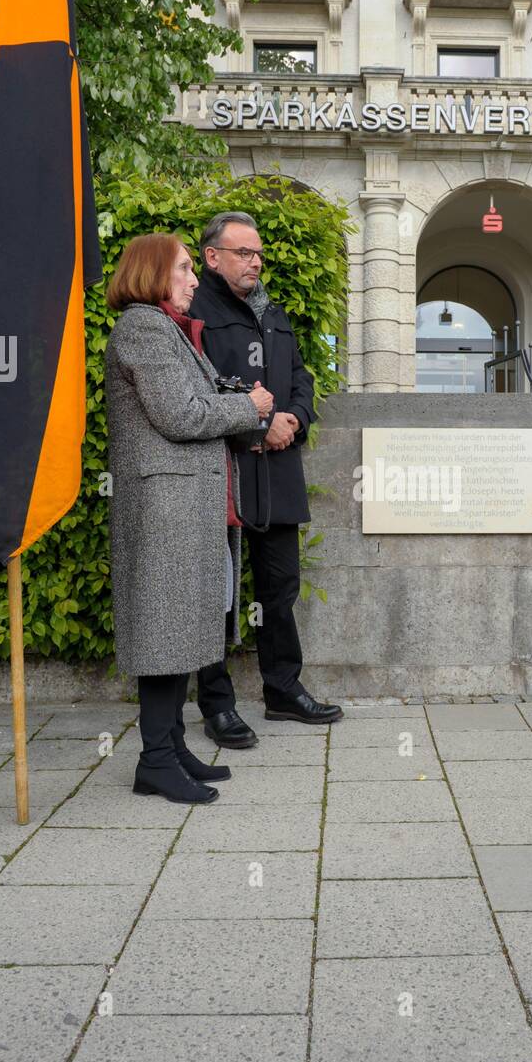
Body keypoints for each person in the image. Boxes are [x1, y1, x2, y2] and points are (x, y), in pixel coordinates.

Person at [104, 234, 274, 802]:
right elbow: (179, 414)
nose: (194, 279)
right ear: (153, 272)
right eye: (183, 269)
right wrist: (248, 408)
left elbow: (194, 407)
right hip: (166, 511)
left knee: (177, 630)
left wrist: (235, 408)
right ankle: (155, 760)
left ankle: (170, 748)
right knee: (165, 631)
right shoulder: (143, 328)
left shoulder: (167, 329)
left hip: (185, 508)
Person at [189, 211, 343, 741]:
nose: (255, 261)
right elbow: (199, 391)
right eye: (243, 253)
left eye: (257, 254)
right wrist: (259, 424)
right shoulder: (193, 312)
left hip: (277, 474)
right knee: (219, 591)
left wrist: (294, 419)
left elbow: (300, 375)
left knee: (279, 587)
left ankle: (283, 690)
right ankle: (216, 704)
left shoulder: (271, 310)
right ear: (213, 257)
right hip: (223, 474)